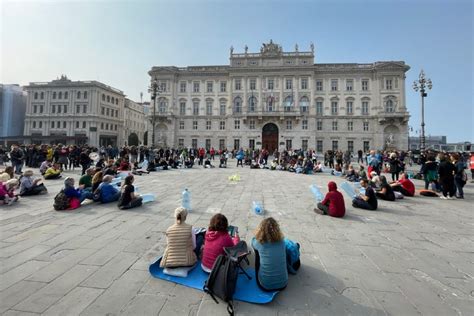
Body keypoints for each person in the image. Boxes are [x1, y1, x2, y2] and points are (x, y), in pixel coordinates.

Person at [251, 217, 288, 291]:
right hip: (283, 284)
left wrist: (257, 236)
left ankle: (260, 272)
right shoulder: (282, 242)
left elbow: (252, 243)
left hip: (265, 285)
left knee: (257, 252)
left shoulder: (259, 243)